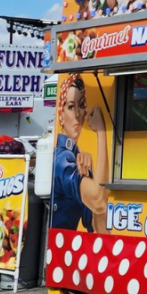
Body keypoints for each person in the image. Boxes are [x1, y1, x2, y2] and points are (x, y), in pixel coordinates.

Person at [52, 74, 109, 233]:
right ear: (61, 116)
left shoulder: (75, 157)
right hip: (57, 250)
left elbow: (99, 222)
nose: (77, 114)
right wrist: (102, 132)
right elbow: (98, 201)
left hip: (65, 249)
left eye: (81, 105)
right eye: (70, 107)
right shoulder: (62, 159)